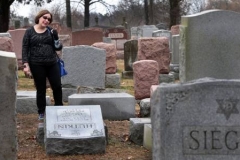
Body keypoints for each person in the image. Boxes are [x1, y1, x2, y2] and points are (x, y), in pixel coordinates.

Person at [22, 9, 63, 120]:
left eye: (49, 19)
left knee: (57, 86)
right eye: (44, 17)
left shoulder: (50, 31)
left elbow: (58, 47)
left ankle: (58, 108)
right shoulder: (29, 32)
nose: (46, 20)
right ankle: (42, 112)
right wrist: (25, 64)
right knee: (41, 89)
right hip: (36, 64)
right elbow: (25, 48)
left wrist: (56, 38)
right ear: (39, 17)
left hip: (52, 63)